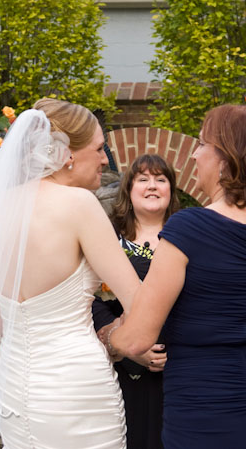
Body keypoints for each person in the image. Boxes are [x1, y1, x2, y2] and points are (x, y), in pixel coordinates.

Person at [0, 99, 142, 449]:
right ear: (68, 155)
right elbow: (139, 301)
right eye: (99, 148)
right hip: (74, 387)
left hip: (14, 386)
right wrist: (113, 340)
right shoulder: (79, 205)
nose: (106, 159)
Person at [109, 104, 246, 448]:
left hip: (207, 393)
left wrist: (106, 336)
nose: (194, 156)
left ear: (225, 159)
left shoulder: (189, 227)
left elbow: (136, 341)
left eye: (202, 144)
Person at [92, 153, 180, 449]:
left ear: (171, 188)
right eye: (143, 179)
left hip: (175, 368)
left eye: (160, 179)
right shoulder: (107, 239)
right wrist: (126, 345)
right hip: (118, 369)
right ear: (129, 190)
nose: (152, 186)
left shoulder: (187, 237)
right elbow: (90, 299)